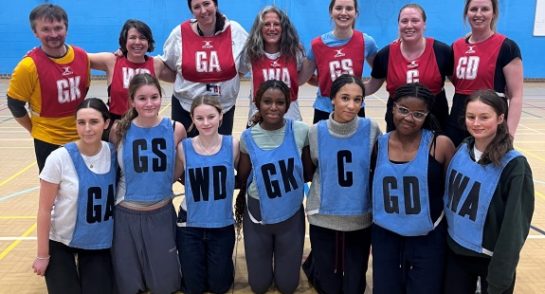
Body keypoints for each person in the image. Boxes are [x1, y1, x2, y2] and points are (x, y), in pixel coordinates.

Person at [443, 89, 534, 294]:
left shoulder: (514, 166)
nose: (476, 123)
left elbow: (514, 229)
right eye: (471, 117)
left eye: (484, 117)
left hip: (488, 262)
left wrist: (500, 276)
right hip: (456, 255)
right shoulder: (463, 149)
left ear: (501, 118)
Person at [371, 83, 455, 294]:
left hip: (427, 235)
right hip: (386, 234)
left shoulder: (440, 145)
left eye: (418, 113)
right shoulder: (378, 144)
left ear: (427, 114)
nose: (409, 118)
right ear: (393, 107)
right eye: (403, 110)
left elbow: (452, 190)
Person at [302, 74, 381, 293]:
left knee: (354, 286)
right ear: (332, 99)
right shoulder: (316, 131)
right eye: (345, 98)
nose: (351, 105)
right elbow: (310, 172)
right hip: (323, 216)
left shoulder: (371, 129)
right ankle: (312, 266)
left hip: (360, 218)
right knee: (328, 285)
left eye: (358, 99)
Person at [110, 73, 186, 294]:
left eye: (154, 96)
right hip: (126, 214)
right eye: (142, 98)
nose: (149, 103)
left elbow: (175, 170)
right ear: (132, 101)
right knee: (129, 287)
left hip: (161, 214)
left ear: (161, 97)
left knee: (166, 287)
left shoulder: (175, 128)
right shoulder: (119, 130)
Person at [32, 98, 115, 294]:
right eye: (81, 122)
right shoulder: (59, 158)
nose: (87, 128)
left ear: (107, 123)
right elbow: (44, 210)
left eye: (94, 122)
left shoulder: (114, 154)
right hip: (61, 241)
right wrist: (42, 255)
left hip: (97, 241)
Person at [235, 80, 309, 294]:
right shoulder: (248, 137)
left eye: (280, 102)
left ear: (287, 105)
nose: (274, 107)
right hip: (258, 213)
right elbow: (243, 176)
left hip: (290, 211)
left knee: (288, 286)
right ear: (257, 103)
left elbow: (308, 170)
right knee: (258, 286)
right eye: (267, 101)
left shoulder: (301, 131)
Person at [7, 4, 90, 172]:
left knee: (84, 189)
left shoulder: (81, 56)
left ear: (66, 28)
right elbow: (14, 104)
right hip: (48, 142)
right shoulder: (28, 66)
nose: (53, 34)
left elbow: (84, 91)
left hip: (83, 136)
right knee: (54, 194)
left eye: (58, 28)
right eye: (46, 29)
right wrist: (34, 130)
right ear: (35, 32)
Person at [174, 95, 239, 294]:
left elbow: (244, 178)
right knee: (194, 288)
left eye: (211, 117)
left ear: (221, 116)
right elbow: (171, 177)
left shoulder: (233, 145)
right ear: (192, 119)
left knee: (219, 287)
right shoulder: (183, 148)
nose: (206, 123)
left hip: (221, 225)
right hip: (190, 226)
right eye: (199, 118)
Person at [160, 0, 248, 137]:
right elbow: (166, 67)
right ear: (192, 11)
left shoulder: (235, 31)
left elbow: (244, 65)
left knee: (219, 155)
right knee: (184, 154)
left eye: (207, 4)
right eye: (196, 7)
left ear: (216, 5)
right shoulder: (179, 33)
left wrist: (224, 82)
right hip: (185, 108)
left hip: (223, 108)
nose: (203, 10)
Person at [365, 3, 452, 132]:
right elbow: (372, 86)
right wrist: (342, 91)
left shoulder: (442, 51)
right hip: (398, 121)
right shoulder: (385, 55)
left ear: (424, 24)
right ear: (398, 24)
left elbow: (461, 83)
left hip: (435, 120)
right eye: (404, 21)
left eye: (415, 20)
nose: (409, 25)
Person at [447, 0, 523, 146]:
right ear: (466, 13)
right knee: (454, 165)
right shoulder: (456, 46)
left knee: (486, 166)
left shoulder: (507, 47)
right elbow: (455, 77)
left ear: (493, 13)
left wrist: (509, 135)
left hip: (489, 122)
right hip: (458, 119)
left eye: (485, 9)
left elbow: (516, 96)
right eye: (474, 9)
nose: (478, 14)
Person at [299, 0, 378, 123]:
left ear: (356, 13)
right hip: (324, 110)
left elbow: (380, 73)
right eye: (339, 8)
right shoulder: (317, 44)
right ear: (331, 12)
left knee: (356, 143)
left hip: (354, 108)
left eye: (349, 8)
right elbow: (302, 78)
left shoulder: (366, 42)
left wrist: (361, 92)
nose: (343, 12)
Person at [88, 19, 175, 122]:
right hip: (117, 126)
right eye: (132, 38)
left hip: (148, 125)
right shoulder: (111, 61)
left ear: (148, 42)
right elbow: (79, 57)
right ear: (125, 41)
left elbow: (181, 75)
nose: (137, 42)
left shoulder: (156, 64)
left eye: (142, 38)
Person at [241, 6, 305, 124]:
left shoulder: (295, 51)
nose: (272, 28)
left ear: (283, 27)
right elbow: (237, 75)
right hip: (258, 120)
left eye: (276, 24)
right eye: (266, 24)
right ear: (259, 28)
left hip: (291, 120)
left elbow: (305, 77)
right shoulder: (250, 52)